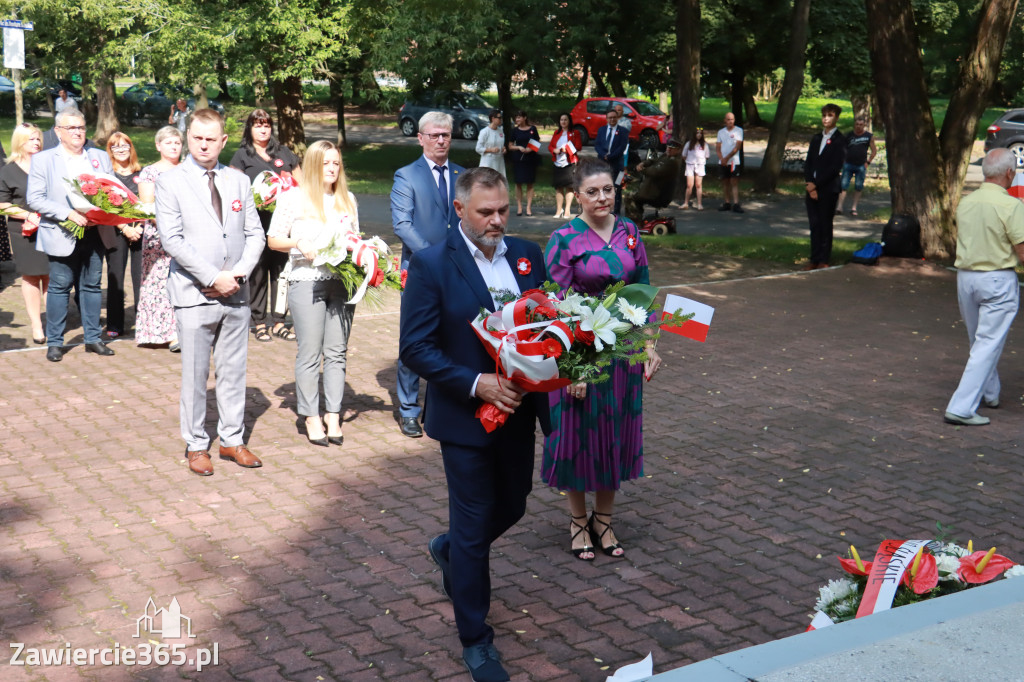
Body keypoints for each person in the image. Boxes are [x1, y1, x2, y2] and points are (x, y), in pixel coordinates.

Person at [399, 167, 549, 682]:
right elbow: (415, 348)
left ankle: (449, 553)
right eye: (486, 212)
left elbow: (545, 330)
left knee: (513, 504)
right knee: (471, 528)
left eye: (504, 210)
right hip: (465, 418)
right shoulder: (432, 264)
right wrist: (476, 383)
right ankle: (476, 639)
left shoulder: (529, 256)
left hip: (519, 413)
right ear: (459, 210)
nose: (497, 221)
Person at [543, 157, 662, 562]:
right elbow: (554, 306)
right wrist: (572, 364)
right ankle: (578, 520)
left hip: (622, 353)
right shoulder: (564, 239)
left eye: (608, 189)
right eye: (592, 191)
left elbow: (643, 291)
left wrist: (648, 345)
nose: (602, 197)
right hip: (582, 352)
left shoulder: (630, 232)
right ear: (577, 196)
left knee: (615, 435)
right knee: (577, 435)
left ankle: (605, 519)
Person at [155, 108, 265, 476]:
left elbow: (255, 234)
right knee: (196, 373)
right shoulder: (170, 181)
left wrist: (237, 273)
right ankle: (196, 444)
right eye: (197, 138)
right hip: (193, 291)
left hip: (236, 290)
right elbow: (172, 239)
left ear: (223, 141)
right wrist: (212, 275)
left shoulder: (237, 181)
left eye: (211, 138)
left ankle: (232, 440)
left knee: (234, 371)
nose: (204, 145)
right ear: (188, 139)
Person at [267, 140, 355, 447]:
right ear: (314, 166)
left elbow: (354, 239)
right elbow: (273, 239)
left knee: (337, 351)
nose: (331, 169)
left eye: (336, 163)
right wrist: (298, 243)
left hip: (342, 283)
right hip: (307, 280)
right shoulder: (294, 198)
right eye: (325, 163)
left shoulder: (347, 199)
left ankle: (333, 413)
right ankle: (310, 415)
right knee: (310, 352)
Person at [391, 110, 465, 438]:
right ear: (420, 138)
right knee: (416, 340)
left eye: (445, 135)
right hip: (421, 271)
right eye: (433, 134)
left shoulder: (464, 176)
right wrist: (435, 258)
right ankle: (409, 409)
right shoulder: (406, 176)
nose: (440, 140)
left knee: (454, 338)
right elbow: (402, 224)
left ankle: (444, 402)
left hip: (460, 271)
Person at [27, 108, 116, 362]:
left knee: (91, 286)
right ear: (58, 132)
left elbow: (111, 192)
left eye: (81, 127)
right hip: (61, 232)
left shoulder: (99, 157)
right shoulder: (44, 160)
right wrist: (67, 214)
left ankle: (92, 339)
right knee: (59, 287)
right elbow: (35, 198)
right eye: (71, 128)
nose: (77, 132)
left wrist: (105, 211)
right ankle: (55, 342)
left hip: (95, 231)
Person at [944, 148, 1024, 427]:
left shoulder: (967, 202)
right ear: (1009, 173)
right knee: (987, 344)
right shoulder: (1011, 206)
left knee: (979, 342)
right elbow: (1023, 251)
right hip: (997, 278)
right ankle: (961, 407)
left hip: (965, 276)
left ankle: (990, 392)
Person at [230, 109, 303, 343]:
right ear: (249, 128)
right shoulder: (241, 156)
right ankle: (260, 322)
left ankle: (280, 320)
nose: (263, 129)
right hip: (255, 225)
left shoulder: (283, 153)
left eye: (267, 125)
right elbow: (234, 193)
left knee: (282, 273)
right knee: (258, 273)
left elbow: (301, 186)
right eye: (257, 125)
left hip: (283, 226)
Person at [136, 126, 183, 351]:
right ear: (158, 146)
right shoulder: (149, 172)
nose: (174, 147)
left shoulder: (188, 170)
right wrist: (170, 229)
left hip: (187, 234)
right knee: (160, 283)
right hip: (159, 236)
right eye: (169, 143)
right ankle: (166, 332)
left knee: (183, 281)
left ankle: (184, 329)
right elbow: (147, 205)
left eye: (177, 143)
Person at [0, 123, 48, 344]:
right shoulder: (8, 170)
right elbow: (2, 204)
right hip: (23, 231)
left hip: (50, 227)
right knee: (30, 276)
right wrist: (27, 215)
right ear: (20, 141)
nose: (36, 142)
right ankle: (37, 325)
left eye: (38, 138)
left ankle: (54, 322)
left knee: (51, 275)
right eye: (31, 139)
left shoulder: (48, 166)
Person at [104, 132, 144, 339]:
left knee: (141, 278)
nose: (121, 150)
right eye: (115, 147)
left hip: (140, 230)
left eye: (124, 146)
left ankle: (143, 321)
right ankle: (115, 324)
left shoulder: (143, 172)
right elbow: (105, 207)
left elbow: (149, 201)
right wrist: (125, 227)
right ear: (110, 151)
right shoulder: (106, 174)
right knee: (115, 277)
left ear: (131, 148)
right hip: (116, 230)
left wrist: (137, 226)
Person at [803, 103, 846, 270]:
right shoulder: (816, 138)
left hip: (827, 189)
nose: (826, 118)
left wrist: (816, 185)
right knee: (814, 224)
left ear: (836, 118)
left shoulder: (840, 140)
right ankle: (813, 258)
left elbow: (834, 167)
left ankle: (823, 258)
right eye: (824, 115)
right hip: (811, 188)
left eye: (830, 115)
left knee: (825, 224)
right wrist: (809, 184)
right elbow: (808, 163)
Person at [625, 139, 683, 225]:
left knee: (631, 197)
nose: (669, 149)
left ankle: (634, 223)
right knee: (636, 197)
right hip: (653, 191)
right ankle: (636, 220)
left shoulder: (673, 162)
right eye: (668, 147)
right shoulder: (666, 156)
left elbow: (654, 172)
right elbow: (654, 161)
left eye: (672, 148)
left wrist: (641, 169)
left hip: (658, 194)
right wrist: (644, 163)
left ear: (678, 150)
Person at [836, 117, 877, 217]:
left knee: (858, 187)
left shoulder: (868, 136)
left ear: (864, 125)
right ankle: (839, 207)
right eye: (857, 124)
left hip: (861, 166)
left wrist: (868, 162)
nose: (858, 126)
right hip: (848, 164)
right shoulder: (849, 135)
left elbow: (874, 151)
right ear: (855, 125)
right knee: (843, 185)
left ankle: (854, 208)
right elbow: (842, 149)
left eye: (861, 124)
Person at [593, 109, 629, 215]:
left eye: (614, 117)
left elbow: (622, 147)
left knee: (617, 189)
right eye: (610, 117)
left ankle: (616, 212)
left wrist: (611, 156)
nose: (612, 119)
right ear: (606, 118)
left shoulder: (623, 131)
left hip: (618, 166)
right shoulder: (601, 130)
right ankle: (604, 211)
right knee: (603, 188)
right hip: (602, 165)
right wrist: (603, 155)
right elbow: (597, 145)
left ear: (617, 118)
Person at [506, 110, 540, 216]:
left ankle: (528, 208)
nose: (517, 120)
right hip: (518, 159)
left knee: (530, 183)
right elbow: (510, 146)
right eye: (516, 118)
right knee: (518, 183)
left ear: (525, 118)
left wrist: (530, 149)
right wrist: (518, 147)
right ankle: (519, 207)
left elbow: (537, 142)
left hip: (530, 159)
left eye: (519, 117)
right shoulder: (515, 131)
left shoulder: (533, 129)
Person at [548, 112, 581, 219]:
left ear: (569, 121)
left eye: (565, 119)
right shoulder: (556, 133)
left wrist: (566, 149)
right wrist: (555, 150)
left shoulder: (575, 133)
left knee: (569, 187)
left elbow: (579, 146)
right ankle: (559, 209)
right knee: (558, 187)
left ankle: (567, 210)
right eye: (561, 120)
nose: (563, 122)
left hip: (569, 162)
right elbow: (550, 146)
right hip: (558, 162)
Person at [716, 112, 744, 213]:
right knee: (725, 182)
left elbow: (737, 147)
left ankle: (736, 203)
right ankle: (727, 202)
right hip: (723, 162)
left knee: (734, 182)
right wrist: (722, 159)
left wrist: (727, 158)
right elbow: (718, 148)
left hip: (733, 161)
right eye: (728, 119)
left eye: (732, 119)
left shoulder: (739, 131)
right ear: (725, 120)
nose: (730, 121)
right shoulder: (721, 132)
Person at [682, 128, 710, 210]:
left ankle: (699, 204)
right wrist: (689, 161)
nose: (699, 135)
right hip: (690, 165)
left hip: (700, 165)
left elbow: (707, 156)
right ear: (694, 134)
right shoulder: (689, 144)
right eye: (697, 133)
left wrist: (700, 161)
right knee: (689, 185)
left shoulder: (704, 145)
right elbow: (684, 155)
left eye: (700, 133)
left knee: (698, 185)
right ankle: (686, 203)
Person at [474, 109, 506, 178]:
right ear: (493, 118)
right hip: (488, 162)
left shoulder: (500, 131)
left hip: (499, 161)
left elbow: (501, 144)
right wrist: (490, 150)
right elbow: (478, 148)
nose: (501, 119)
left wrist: (503, 149)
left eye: (501, 118)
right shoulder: (484, 132)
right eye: (499, 118)